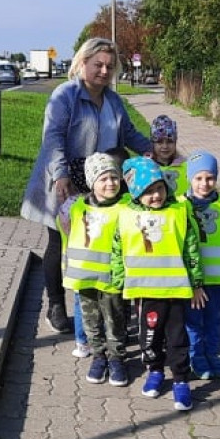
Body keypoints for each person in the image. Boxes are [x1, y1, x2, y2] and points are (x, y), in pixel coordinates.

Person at [20, 38, 151, 334]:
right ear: (82, 63)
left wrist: (155, 151)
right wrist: (61, 173)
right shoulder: (65, 95)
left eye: (109, 66)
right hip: (65, 180)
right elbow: (53, 137)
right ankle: (56, 305)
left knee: (99, 243)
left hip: (102, 184)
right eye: (98, 65)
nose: (104, 71)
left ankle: (100, 308)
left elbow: (129, 133)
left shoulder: (113, 100)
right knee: (59, 242)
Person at [112, 156, 206, 411]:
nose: (156, 195)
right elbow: (118, 250)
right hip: (145, 292)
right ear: (136, 194)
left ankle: (180, 380)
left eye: (159, 188)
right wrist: (119, 281)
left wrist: (196, 283)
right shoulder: (126, 215)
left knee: (177, 339)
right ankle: (155, 370)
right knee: (149, 337)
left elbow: (191, 250)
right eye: (148, 191)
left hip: (175, 292)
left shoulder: (178, 212)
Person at [59, 153, 129, 386]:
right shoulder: (77, 207)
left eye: (114, 177)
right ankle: (98, 356)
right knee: (91, 320)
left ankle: (117, 357)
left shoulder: (126, 207)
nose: (110, 183)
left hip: (113, 278)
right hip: (85, 277)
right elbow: (67, 235)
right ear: (91, 182)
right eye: (103, 179)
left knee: (115, 319)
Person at [181, 151, 220, 380]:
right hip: (192, 279)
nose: (204, 183)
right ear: (189, 178)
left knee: (214, 318)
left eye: (210, 178)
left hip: (218, 277)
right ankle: (196, 355)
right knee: (193, 320)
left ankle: (213, 352)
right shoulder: (180, 206)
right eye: (198, 178)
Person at [148, 115, 189, 198]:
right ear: (153, 143)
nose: (165, 146)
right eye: (159, 142)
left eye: (170, 141)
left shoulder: (186, 165)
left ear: (175, 142)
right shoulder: (147, 166)